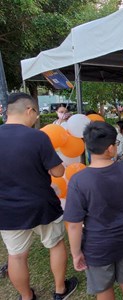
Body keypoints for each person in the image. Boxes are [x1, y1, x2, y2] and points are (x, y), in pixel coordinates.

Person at [0, 93, 78, 300]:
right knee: (55, 244)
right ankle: (60, 290)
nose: (36, 118)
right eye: (35, 113)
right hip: (42, 204)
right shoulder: (38, 137)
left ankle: (27, 297)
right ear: (29, 110)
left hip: (6, 209)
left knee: (16, 256)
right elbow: (58, 172)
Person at [64, 121, 123, 300]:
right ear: (110, 148)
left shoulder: (78, 180)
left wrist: (76, 253)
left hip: (96, 246)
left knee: (103, 289)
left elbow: (74, 225)